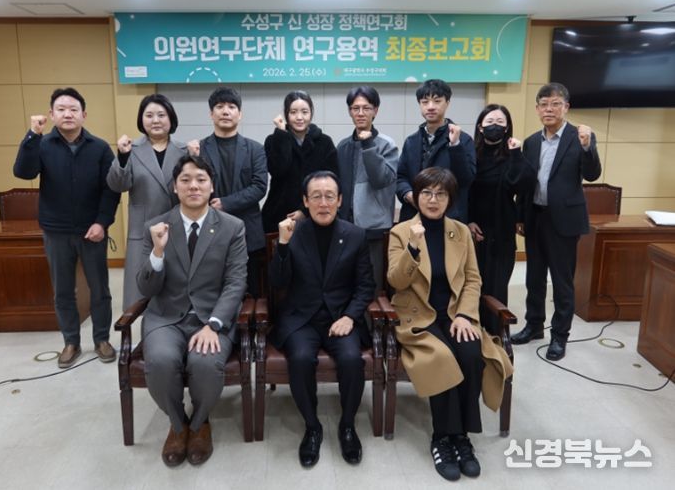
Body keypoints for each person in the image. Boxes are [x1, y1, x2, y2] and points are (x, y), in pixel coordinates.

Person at [387, 167, 513, 482]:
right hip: (418, 316)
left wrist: (466, 315)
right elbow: (396, 281)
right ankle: (442, 438)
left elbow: (473, 279)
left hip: (455, 314)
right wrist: (413, 248)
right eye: (427, 193)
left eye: (440, 194)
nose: (433, 200)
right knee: (441, 357)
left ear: (450, 199)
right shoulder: (401, 232)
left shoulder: (460, 232)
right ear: (416, 197)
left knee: (470, 355)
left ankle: (461, 437)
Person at [136, 155, 247, 467]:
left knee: (206, 362)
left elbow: (236, 282)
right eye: (185, 180)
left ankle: (199, 424)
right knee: (160, 361)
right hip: (165, 317)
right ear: (175, 187)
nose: (193, 186)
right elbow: (146, 288)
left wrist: (214, 324)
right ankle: (177, 424)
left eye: (201, 179)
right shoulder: (156, 227)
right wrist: (158, 251)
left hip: (211, 317)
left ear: (211, 186)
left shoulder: (232, 227)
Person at [269, 171, 375, 468]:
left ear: (340, 200)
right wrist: (283, 245)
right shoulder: (294, 233)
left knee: (352, 359)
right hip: (301, 318)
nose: (323, 203)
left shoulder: (355, 235)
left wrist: (350, 316)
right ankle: (312, 426)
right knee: (301, 358)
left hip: (341, 316)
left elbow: (366, 285)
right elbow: (277, 282)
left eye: (330, 196)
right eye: (316, 196)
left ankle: (347, 425)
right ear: (305, 201)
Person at [13, 87, 120, 368]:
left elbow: (111, 190)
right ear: (51, 114)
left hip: (92, 231)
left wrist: (102, 222)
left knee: (100, 289)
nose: (68, 114)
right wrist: (32, 135)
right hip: (56, 231)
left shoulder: (99, 148)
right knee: (63, 291)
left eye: (74, 109)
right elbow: (23, 172)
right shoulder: (41, 144)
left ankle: (102, 339)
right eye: (61, 109)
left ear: (84, 115)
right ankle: (71, 341)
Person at [511, 83, 601, 361]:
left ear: (566, 107)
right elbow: (526, 183)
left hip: (564, 220)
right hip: (535, 216)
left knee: (562, 282)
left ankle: (560, 337)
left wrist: (587, 147)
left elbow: (592, 174)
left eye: (555, 104)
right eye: (544, 104)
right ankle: (534, 326)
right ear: (537, 109)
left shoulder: (580, 137)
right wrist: (520, 216)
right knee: (534, 278)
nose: (549, 109)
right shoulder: (531, 142)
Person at [107, 94, 187, 309]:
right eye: (149, 115)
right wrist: (122, 157)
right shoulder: (130, 149)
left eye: (161, 115)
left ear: (171, 118)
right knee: (142, 293)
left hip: (176, 227)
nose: (156, 120)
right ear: (141, 120)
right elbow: (117, 185)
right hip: (142, 229)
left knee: (174, 289)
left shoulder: (184, 150)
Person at [188, 87, 267, 297]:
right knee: (214, 292)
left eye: (232, 107)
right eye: (220, 106)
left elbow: (260, 187)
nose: (225, 111)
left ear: (239, 114)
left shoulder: (255, 149)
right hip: (210, 231)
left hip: (247, 232)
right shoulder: (199, 149)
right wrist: (192, 158)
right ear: (211, 114)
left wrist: (226, 203)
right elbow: (191, 186)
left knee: (252, 293)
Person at [467, 104, 536, 335]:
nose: (494, 126)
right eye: (489, 122)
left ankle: (495, 331)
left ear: (507, 128)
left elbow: (523, 184)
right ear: (480, 126)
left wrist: (516, 153)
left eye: (500, 122)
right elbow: (463, 189)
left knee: (497, 282)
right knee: (473, 279)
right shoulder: (470, 152)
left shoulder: (512, 154)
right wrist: (468, 221)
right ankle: (472, 327)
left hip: (501, 228)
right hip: (473, 227)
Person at [336, 86, 399, 293]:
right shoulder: (343, 146)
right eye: (355, 108)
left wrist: (368, 144)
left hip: (374, 229)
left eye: (366, 108)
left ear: (375, 111)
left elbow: (380, 180)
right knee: (346, 284)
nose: (361, 113)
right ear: (349, 111)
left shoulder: (386, 144)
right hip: (346, 227)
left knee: (372, 286)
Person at [396, 79, 476, 223]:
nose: (431, 107)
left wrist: (455, 145)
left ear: (447, 103)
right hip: (414, 215)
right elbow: (401, 177)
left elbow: (466, 180)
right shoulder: (411, 141)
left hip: (449, 217)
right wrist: (409, 195)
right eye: (425, 102)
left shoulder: (463, 140)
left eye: (437, 101)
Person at [262, 90, 339, 234]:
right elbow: (278, 170)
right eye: (293, 112)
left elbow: (333, 182)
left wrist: (305, 211)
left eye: (304, 112)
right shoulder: (273, 140)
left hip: (316, 214)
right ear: (286, 114)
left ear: (311, 114)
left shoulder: (324, 142)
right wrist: (282, 134)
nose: (299, 117)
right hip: (278, 215)